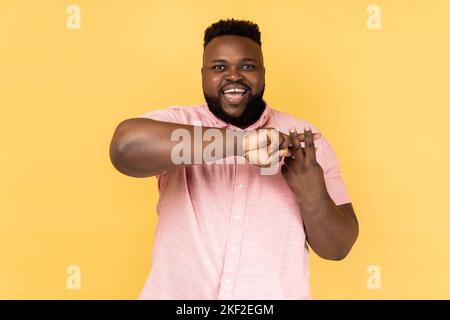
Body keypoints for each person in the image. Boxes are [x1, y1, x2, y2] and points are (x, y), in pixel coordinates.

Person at [109, 19, 359, 299]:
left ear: (263, 73)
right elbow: (125, 148)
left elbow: (338, 249)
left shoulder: (307, 140)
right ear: (203, 74)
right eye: (219, 67)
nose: (233, 76)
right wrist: (244, 143)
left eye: (247, 66)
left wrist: (313, 195)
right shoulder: (179, 124)